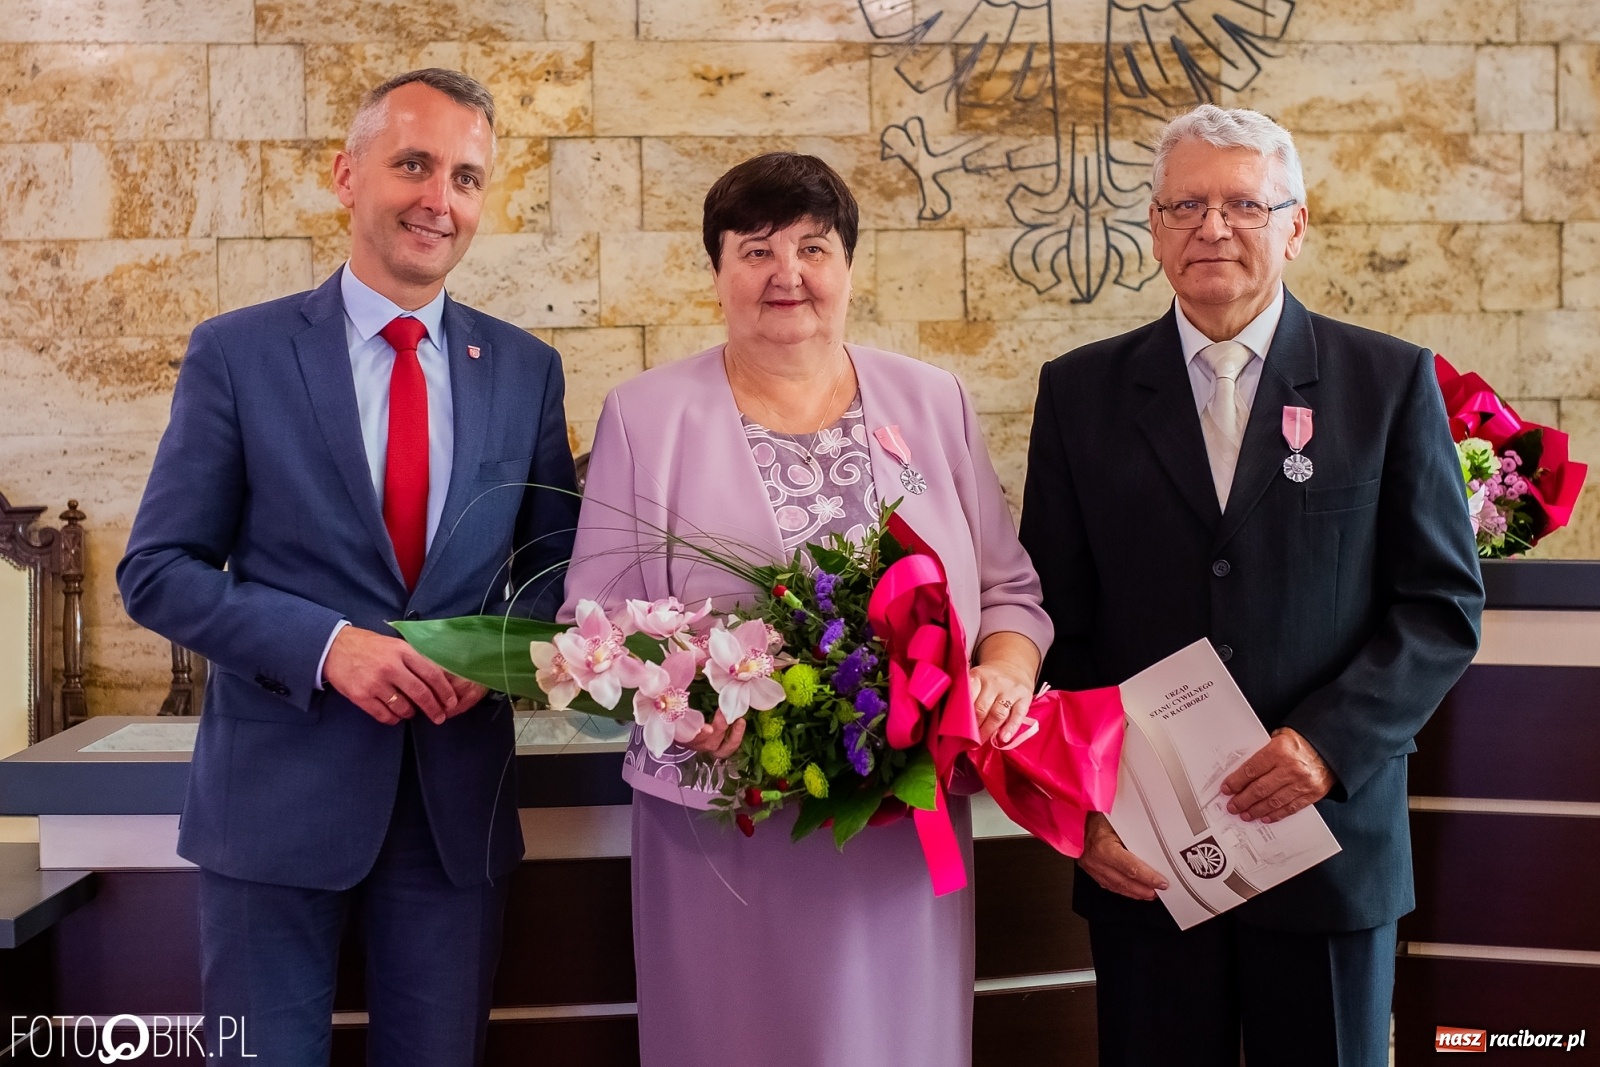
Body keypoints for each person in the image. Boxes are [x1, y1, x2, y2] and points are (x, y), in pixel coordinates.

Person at [117, 69, 578, 1066]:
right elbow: (156, 567)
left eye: (464, 176)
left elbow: (555, 567)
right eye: (413, 163)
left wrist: (495, 651)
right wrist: (327, 647)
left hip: (456, 817)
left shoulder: (527, 369)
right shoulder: (236, 354)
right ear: (347, 174)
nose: (437, 199)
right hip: (272, 812)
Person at [1018, 103, 1484, 1067]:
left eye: (1243, 203)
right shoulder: (1078, 394)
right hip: (1147, 856)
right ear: (1153, 227)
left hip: (1328, 843)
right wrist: (1085, 806)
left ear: (1296, 225)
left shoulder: (1388, 383)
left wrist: (1329, 745)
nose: (1212, 227)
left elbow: (1439, 607)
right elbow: (1052, 622)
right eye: (1185, 205)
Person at [561, 152, 1052, 1066]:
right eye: (756, 250)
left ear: (850, 269)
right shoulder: (645, 415)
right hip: (725, 821)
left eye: (813, 248)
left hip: (903, 827)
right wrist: (687, 705)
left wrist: (1002, 671)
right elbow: (593, 625)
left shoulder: (932, 400)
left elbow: (1008, 589)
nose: (787, 274)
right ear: (717, 274)